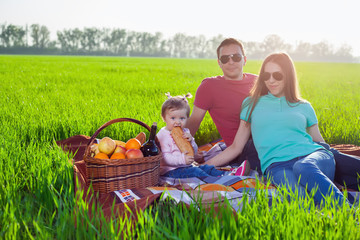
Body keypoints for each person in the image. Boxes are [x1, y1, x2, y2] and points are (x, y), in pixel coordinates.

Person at [186, 37, 360, 192]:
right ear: (219, 62)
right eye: (225, 58)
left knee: (321, 158)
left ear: (244, 59)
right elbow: (196, 122)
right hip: (253, 148)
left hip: (294, 147)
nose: (231, 61)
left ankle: (335, 179)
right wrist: (188, 156)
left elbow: (295, 119)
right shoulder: (213, 87)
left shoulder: (263, 83)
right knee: (301, 177)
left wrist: (321, 150)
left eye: (236, 57)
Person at [204, 52, 348, 206]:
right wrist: (204, 166)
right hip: (277, 166)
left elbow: (319, 142)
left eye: (277, 75)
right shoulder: (251, 104)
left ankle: (350, 213)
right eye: (266, 75)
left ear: (288, 76)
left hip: (312, 157)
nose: (271, 80)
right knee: (300, 200)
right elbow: (236, 147)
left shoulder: (304, 106)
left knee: (303, 167)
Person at [157, 93, 250, 178]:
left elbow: (194, 151)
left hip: (187, 166)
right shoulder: (162, 135)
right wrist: (182, 160)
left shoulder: (185, 131)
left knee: (206, 167)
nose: (177, 122)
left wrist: (191, 141)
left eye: (182, 118)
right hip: (171, 171)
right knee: (196, 171)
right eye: (173, 118)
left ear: (187, 118)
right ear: (164, 117)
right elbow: (165, 158)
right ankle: (217, 180)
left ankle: (231, 174)